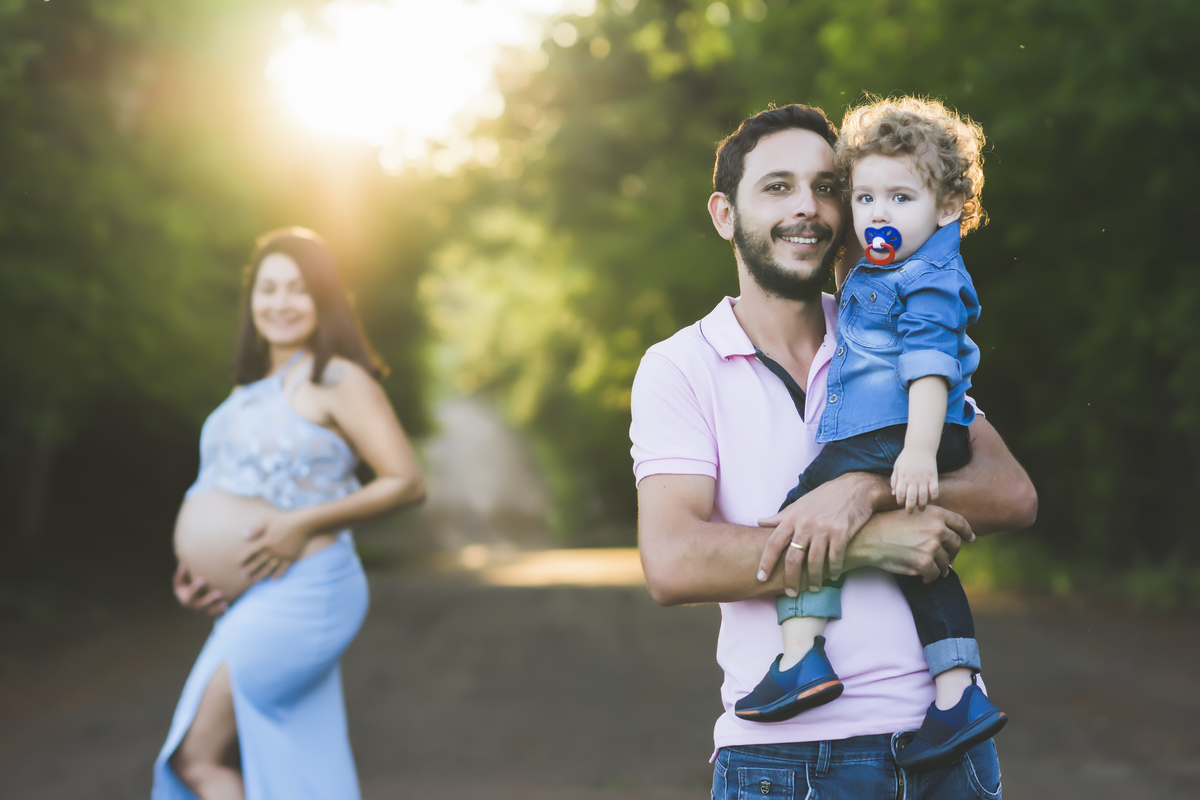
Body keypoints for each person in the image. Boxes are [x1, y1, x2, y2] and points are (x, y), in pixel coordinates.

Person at [630, 104, 1037, 797]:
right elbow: (673, 563)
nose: (809, 208)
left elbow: (1008, 489)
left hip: (948, 755)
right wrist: (870, 544)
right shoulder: (680, 367)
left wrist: (865, 489)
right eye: (777, 187)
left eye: (826, 187)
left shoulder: (880, 319)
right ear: (725, 214)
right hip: (788, 763)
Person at [734, 96, 1004, 770]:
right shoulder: (883, 269)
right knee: (923, 559)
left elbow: (932, 363)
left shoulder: (930, 275)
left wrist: (912, 453)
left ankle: (801, 655)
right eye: (864, 198)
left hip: (898, 432)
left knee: (805, 508)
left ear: (947, 208)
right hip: (899, 432)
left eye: (901, 197)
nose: (878, 214)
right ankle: (956, 690)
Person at [153, 228, 425, 800]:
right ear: (250, 300)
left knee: (197, 755)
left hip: (308, 588)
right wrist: (203, 580)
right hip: (252, 597)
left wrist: (299, 523)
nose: (280, 303)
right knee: (251, 756)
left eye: (298, 290)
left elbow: (406, 482)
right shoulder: (247, 390)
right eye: (268, 288)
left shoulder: (336, 377)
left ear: (324, 299)